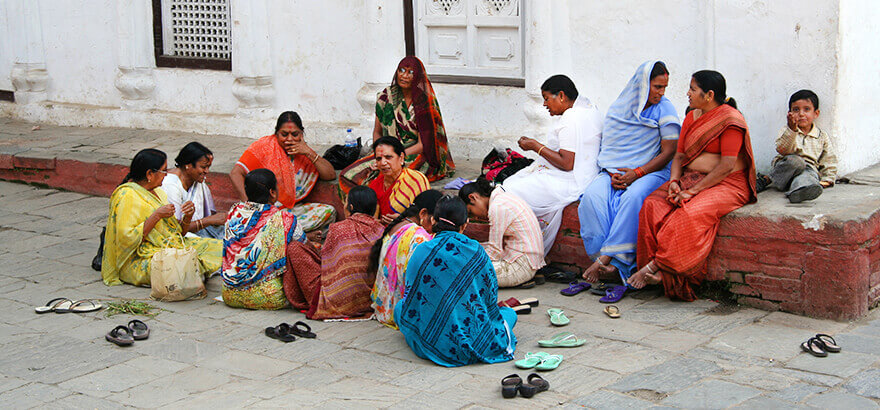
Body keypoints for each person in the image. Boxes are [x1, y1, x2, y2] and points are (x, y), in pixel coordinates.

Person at [630, 70, 757, 301]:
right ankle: (655, 271)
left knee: (687, 213)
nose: (687, 93)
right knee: (652, 205)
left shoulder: (731, 120)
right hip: (690, 178)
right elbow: (679, 156)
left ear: (709, 95)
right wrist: (674, 182)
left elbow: (727, 165)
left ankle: (660, 269)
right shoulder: (691, 117)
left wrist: (692, 191)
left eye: (692, 89)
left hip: (728, 184)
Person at [578, 61, 681, 291]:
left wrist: (637, 173)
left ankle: (614, 263)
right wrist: (614, 173)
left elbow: (669, 152)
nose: (661, 93)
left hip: (653, 170)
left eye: (664, 87)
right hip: (614, 171)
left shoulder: (665, 109)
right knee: (592, 198)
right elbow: (612, 149)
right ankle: (604, 261)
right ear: (642, 85)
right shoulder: (619, 108)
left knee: (633, 197)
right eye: (657, 87)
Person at [395, 196, 517, 367]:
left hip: (432, 343)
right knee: (509, 314)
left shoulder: (421, 251)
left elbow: (410, 298)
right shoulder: (477, 251)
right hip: (477, 337)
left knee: (399, 308)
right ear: (465, 224)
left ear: (433, 220)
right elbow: (489, 296)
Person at [502, 75, 603, 255]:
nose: (544, 104)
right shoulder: (589, 109)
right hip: (586, 176)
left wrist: (536, 146)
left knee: (509, 189)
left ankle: (525, 246)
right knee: (519, 177)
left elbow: (567, 163)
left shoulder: (571, 118)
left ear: (561, 96)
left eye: (546, 98)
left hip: (572, 180)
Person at [102, 149, 221, 286]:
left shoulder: (159, 192)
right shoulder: (126, 195)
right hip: (141, 257)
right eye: (163, 171)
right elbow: (126, 239)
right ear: (150, 174)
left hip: (172, 245)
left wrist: (188, 216)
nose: (166, 175)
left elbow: (178, 233)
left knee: (222, 248)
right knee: (181, 267)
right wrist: (157, 215)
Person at [340, 56, 454, 191]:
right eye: (402, 70)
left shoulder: (424, 103)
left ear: (418, 76)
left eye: (411, 72)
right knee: (348, 175)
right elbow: (377, 132)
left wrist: (396, 156)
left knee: (383, 179)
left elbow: (423, 145)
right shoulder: (386, 96)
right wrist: (379, 155)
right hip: (387, 150)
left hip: (414, 154)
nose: (404, 76)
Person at [282, 186, 384, 319]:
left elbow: (325, 265)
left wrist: (310, 245)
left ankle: (304, 299)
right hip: (370, 301)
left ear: (351, 207)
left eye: (345, 202)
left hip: (336, 300)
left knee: (294, 248)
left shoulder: (337, 229)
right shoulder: (381, 230)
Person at [230, 111, 337, 232]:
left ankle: (285, 232)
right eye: (284, 134)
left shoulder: (304, 152)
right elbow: (236, 173)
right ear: (276, 133)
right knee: (271, 224)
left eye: (295, 134)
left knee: (329, 212)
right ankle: (290, 233)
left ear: (302, 134)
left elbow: (330, 175)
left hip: (289, 210)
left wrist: (309, 152)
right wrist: (249, 205)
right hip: (264, 211)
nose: (289, 139)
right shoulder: (264, 146)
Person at [221, 169, 307, 309]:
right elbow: (303, 246)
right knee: (296, 249)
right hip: (270, 297)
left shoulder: (234, 211)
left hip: (229, 296)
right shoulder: (284, 219)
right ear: (272, 193)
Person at [369, 189, 442, 329]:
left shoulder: (398, 225)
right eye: (435, 220)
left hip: (384, 307)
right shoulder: (418, 236)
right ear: (423, 214)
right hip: (400, 309)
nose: (436, 226)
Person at [459, 176, 545, 288]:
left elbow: (494, 252)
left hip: (521, 267)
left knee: (462, 272)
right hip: (525, 260)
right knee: (474, 249)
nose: (475, 217)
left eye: (470, 212)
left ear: (473, 197)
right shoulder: (502, 199)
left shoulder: (498, 207)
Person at [756, 89, 837, 203]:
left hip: (808, 169)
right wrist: (792, 130)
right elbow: (782, 150)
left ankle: (797, 192)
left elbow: (829, 159)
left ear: (816, 113)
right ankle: (766, 179)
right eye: (796, 110)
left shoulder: (821, 136)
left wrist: (827, 179)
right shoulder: (787, 130)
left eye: (806, 109)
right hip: (787, 168)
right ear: (790, 113)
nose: (801, 114)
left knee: (807, 177)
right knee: (797, 162)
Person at [161, 142, 226, 239]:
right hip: (177, 235)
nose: (207, 171)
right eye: (203, 167)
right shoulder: (171, 185)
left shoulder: (198, 181)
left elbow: (211, 213)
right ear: (188, 165)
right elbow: (175, 229)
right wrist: (209, 220)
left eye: (208, 167)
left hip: (199, 230)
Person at [368, 136, 431, 224]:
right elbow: (372, 221)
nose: (383, 163)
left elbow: (426, 216)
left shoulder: (416, 180)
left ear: (401, 158)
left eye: (388, 157)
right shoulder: (375, 185)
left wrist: (403, 221)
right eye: (379, 159)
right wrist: (382, 222)